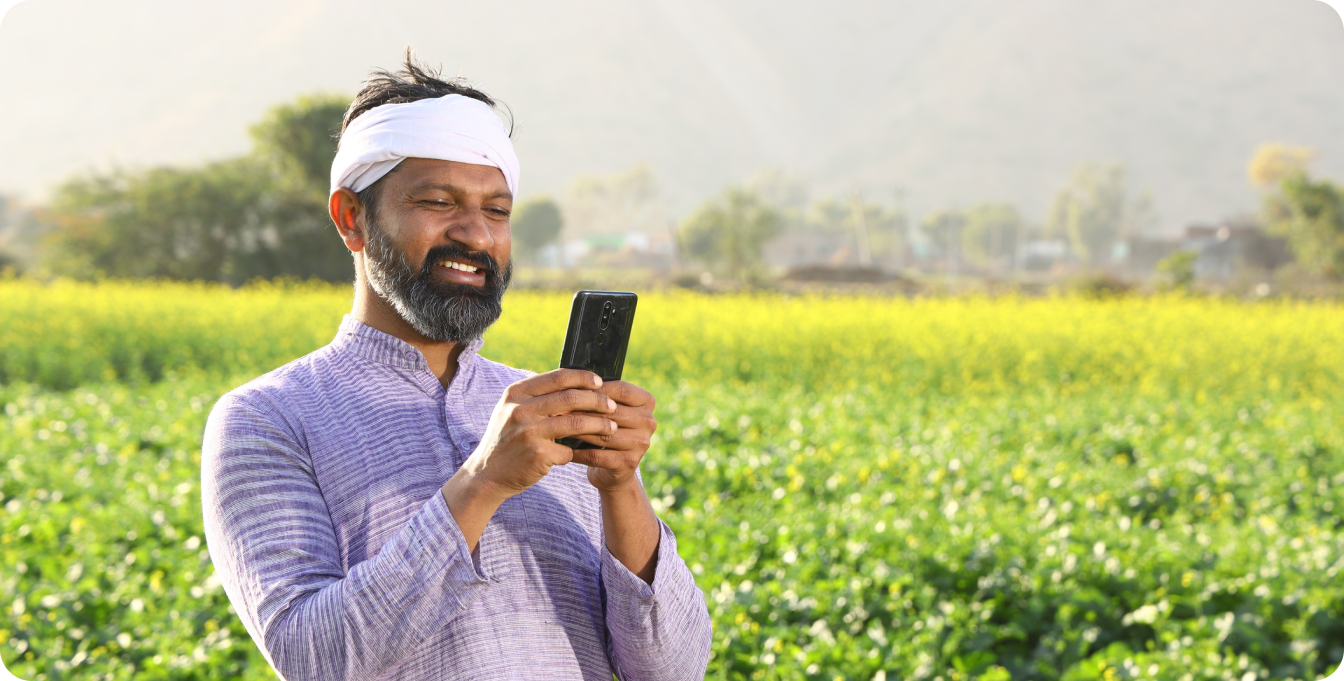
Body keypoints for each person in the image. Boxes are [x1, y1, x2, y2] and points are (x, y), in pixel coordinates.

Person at [200, 55, 713, 681]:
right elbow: (316, 660)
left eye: (496, 211)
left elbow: (674, 669)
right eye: (439, 202)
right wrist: (484, 482)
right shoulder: (269, 418)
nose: (475, 234)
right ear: (351, 218)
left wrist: (618, 485)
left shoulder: (547, 409)